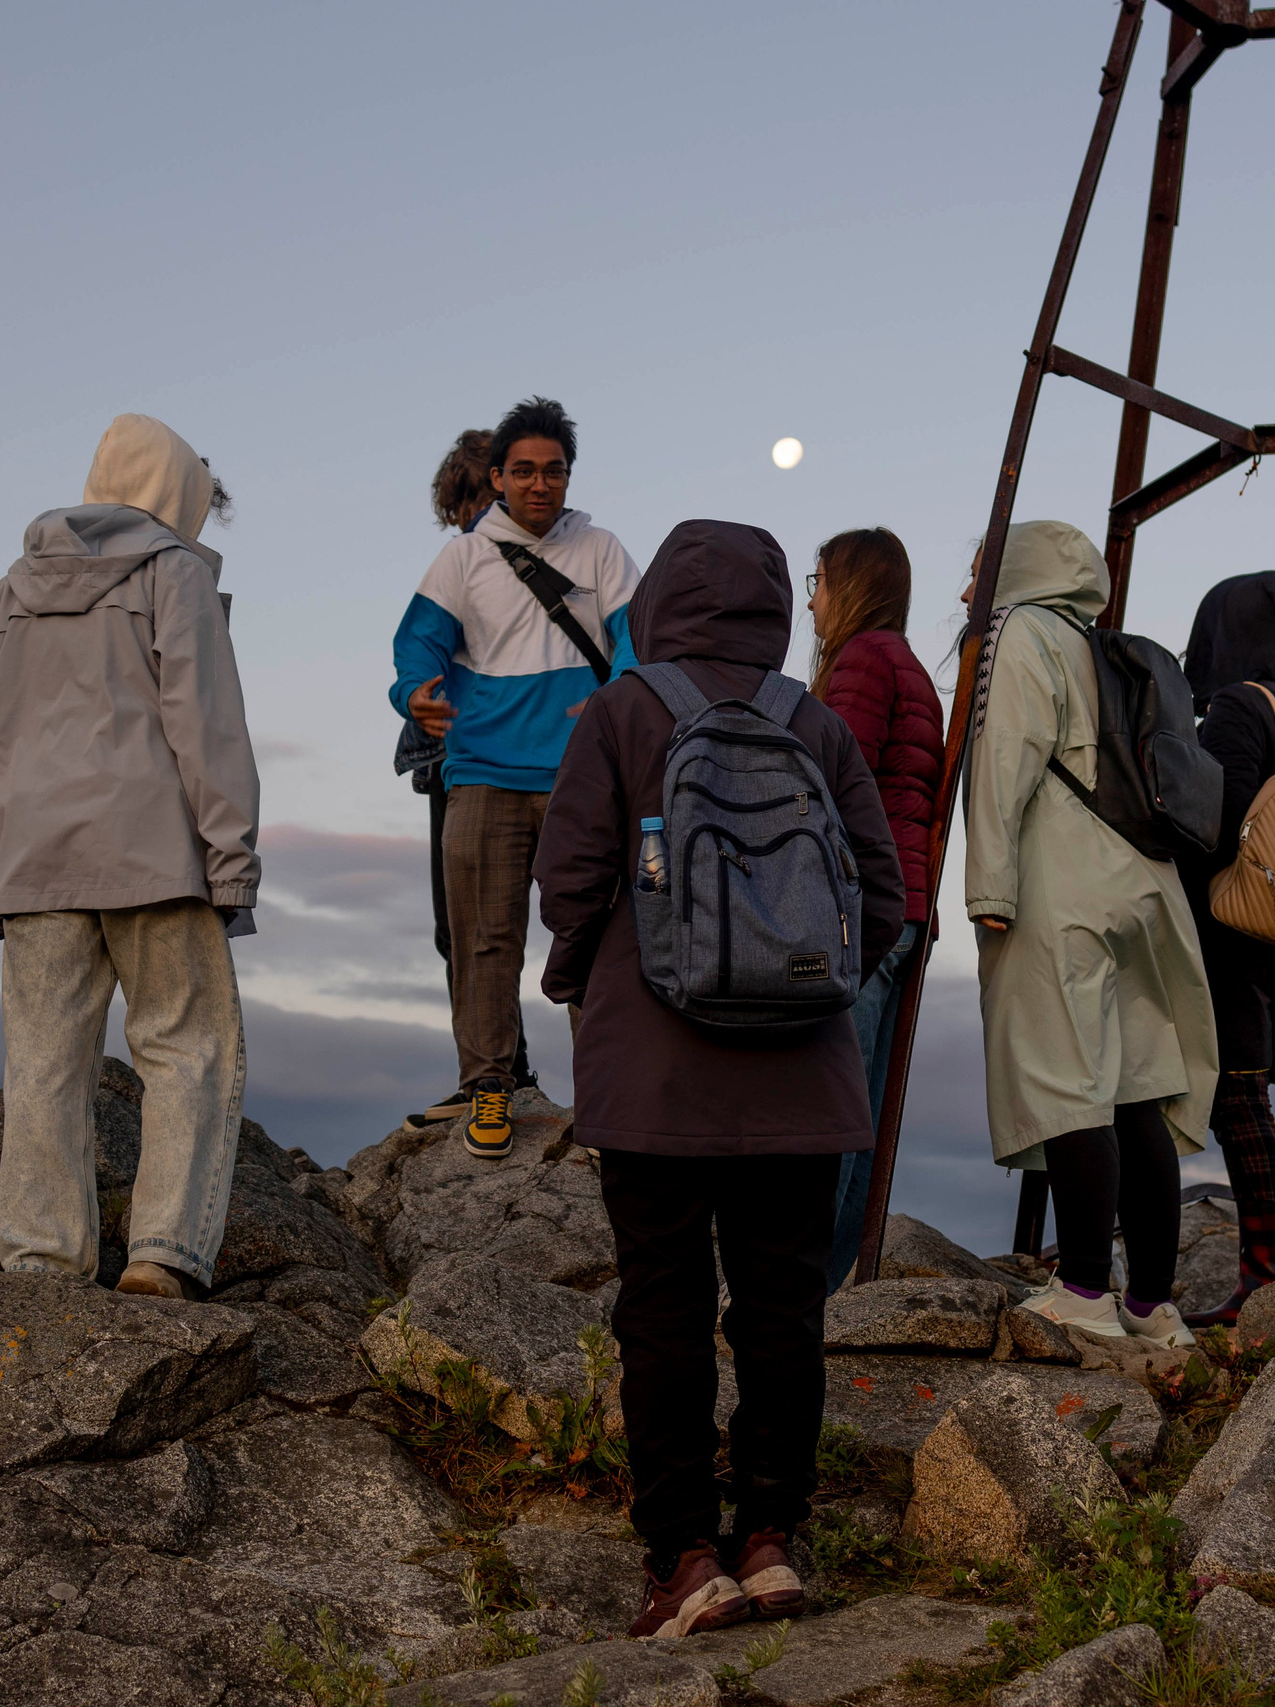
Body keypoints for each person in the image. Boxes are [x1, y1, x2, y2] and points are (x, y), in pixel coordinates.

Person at [535, 520, 903, 1637]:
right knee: (783, 1310)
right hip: (801, 1082)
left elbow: (571, 880)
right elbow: (882, 894)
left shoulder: (620, 711)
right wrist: (811, 987)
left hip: (655, 1076)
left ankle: (685, 1559)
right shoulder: (814, 722)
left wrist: (584, 980)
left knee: (664, 1309)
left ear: (658, 599)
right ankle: (771, 1541)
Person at [0, 413, 260, 1301]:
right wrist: (231, 857)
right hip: (154, 855)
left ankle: (41, 1261)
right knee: (185, 1044)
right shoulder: (175, 573)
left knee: (43, 1061)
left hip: (34, 861)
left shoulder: (14, 587)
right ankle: (163, 1251)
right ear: (177, 494)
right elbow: (204, 723)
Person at [962, 520, 1218, 1349]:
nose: (967, 593)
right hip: (1142, 887)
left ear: (1015, 571)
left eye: (978, 573)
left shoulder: (1019, 632)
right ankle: (1151, 1303)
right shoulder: (1100, 646)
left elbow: (1006, 756)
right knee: (1136, 1088)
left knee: (1068, 1080)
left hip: (1062, 885)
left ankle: (1079, 1290)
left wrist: (988, 886)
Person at [391, 397, 638, 1160]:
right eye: (523, 471)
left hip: (580, 778)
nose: (539, 484)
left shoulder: (601, 550)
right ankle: (489, 1088)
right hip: (483, 776)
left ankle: (605, 1102)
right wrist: (414, 692)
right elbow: (417, 644)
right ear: (497, 476)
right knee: (482, 941)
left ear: (569, 476)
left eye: (553, 471)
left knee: (592, 941)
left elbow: (638, 639)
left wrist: (618, 693)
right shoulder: (464, 559)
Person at [1175, 572, 1275, 1327]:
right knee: (1245, 1100)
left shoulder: (1236, 704)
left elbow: (1220, 820)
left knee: (1238, 1100)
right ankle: (1269, 1271)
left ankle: (1266, 1279)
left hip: (1234, 936)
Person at [803, 527, 943, 1291]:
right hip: (903, 909)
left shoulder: (861, 661)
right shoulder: (907, 663)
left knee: (832, 1107)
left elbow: (833, 785)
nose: (812, 602)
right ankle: (823, 1292)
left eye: (819, 581)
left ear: (850, 585)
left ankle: (797, 1293)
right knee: (864, 1115)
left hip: (860, 909)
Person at [396, 428, 537, 1128]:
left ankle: (499, 1077)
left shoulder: (491, 559)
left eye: (471, 504)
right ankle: (503, 1074)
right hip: (482, 757)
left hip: (484, 762)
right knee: (484, 929)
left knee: (473, 927)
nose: (469, 523)